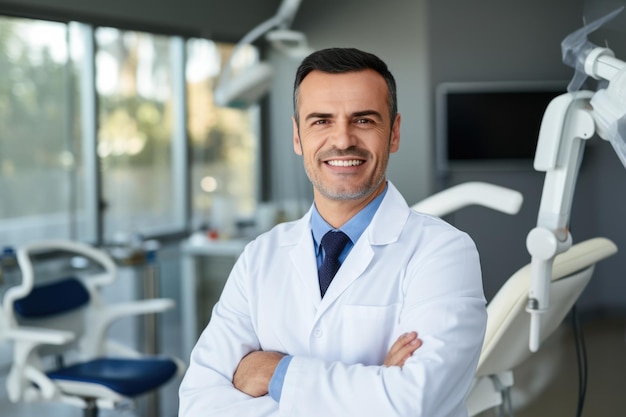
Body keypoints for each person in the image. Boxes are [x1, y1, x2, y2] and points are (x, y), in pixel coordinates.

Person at [179, 47, 487, 416]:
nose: (342, 140)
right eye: (321, 121)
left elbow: (413, 403)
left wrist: (275, 372)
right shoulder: (260, 256)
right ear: (297, 136)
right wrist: (375, 385)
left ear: (394, 133)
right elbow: (199, 403)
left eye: (364, 120)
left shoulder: (444, 252)